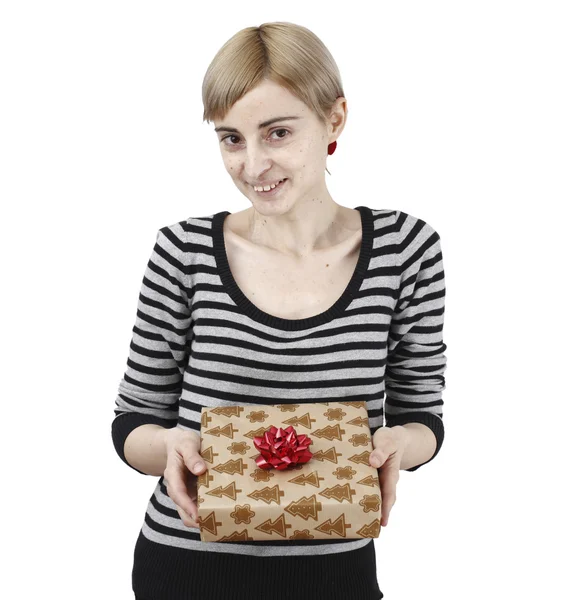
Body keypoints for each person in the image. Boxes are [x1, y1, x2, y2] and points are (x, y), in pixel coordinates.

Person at [111, 21, 447, 600]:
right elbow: (132, 421)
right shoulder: (184, 252)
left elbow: (424, 412)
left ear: (334, 119)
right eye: (231, 138)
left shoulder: (405, 249)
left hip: (336, 575)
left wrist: (400, 443)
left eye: (278, 132)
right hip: (187, 570)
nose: (252, 164)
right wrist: (169, 447)